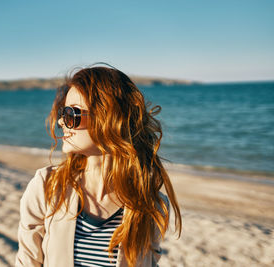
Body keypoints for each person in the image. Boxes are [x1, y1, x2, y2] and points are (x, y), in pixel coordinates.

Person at [15, 64, 182, 267]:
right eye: (62, 113)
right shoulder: (46, 187)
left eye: (72, 114)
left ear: (109, 118)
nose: (61, 122)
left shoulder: (150, 204)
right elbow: (27, 262)